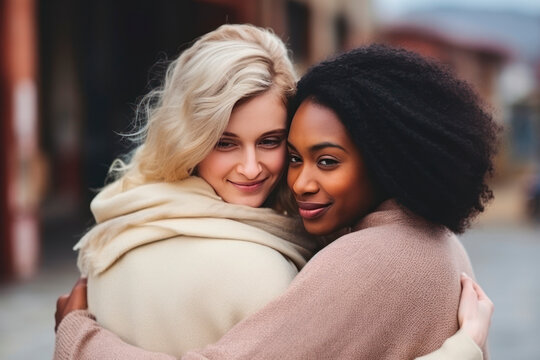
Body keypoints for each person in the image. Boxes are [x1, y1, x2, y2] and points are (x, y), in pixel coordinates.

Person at [54, 41, 496, 359]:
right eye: (295, 157)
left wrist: (78, 338)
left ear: (383, 157)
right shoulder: (426, 238)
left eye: (326, 161)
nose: (297, 180)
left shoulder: (367, 259)